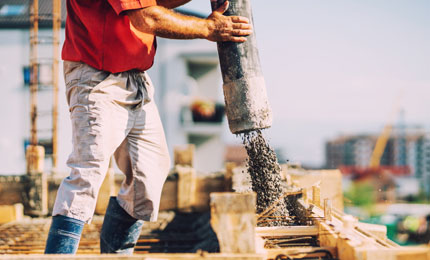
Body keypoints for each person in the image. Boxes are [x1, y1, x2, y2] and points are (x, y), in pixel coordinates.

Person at [44, 0, 252, 255]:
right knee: (87, 172)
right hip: (96, 77)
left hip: (135, 77)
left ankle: (116, 254)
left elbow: (154, 2)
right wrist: (208, 28)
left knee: (149, 172)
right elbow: (147, 18)